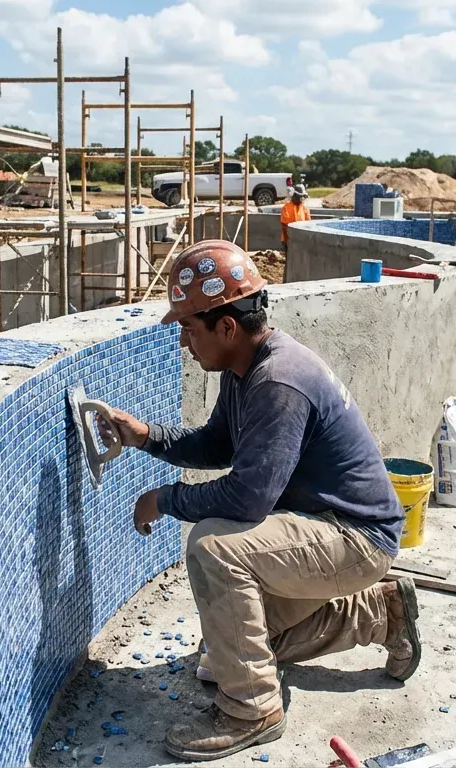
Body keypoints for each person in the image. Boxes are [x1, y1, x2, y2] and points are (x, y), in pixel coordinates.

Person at [105, 240, 421, 762]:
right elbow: (216, 444)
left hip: (355, 537)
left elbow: (248, 498)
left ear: (226, 326)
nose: (184, 341)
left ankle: (251, 711)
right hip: (323, 528)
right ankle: (379, 614)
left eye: (189, 327)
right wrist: (145, 436)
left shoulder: (277, 381)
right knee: (224, 655)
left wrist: (164, 500)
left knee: (214, 546)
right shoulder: (245, 367)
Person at [278, 183, 310, 251]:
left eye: (302, 196)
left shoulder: (305, 209)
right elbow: (284, 225)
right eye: (300, 196)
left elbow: (309, 225)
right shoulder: (286, 207)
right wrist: (288, 241)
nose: (302, 199)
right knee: (289, 260)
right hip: (288, 240)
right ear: (294, 195)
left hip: (301, 240)